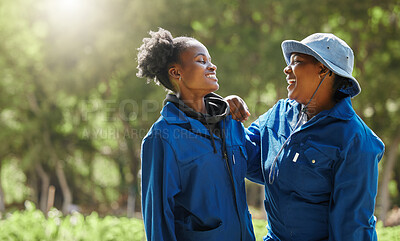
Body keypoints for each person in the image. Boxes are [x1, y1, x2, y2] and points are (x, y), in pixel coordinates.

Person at [227, 33, 385, 240]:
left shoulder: (356, 140)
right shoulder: (279, 113)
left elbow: (352, 226)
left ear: (323, 70)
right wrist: (227, 116)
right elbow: (247, 159)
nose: (286, 69)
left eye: (297, 62)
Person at [137, 28, 258, 241]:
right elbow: (158, 221)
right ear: (176, 73)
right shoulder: (162, 137)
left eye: (210, 60)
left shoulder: (230, 121)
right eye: (201, 60)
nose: (212, 66)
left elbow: (261, 164)